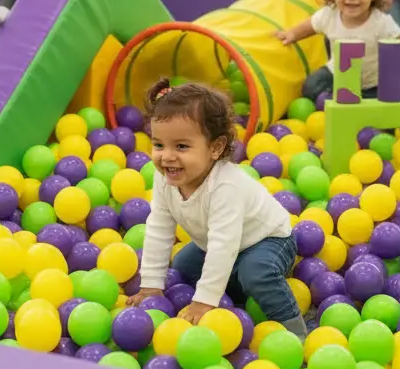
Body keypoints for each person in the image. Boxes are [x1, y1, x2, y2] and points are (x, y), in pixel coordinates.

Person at [126, 79, 307, 340]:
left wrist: (204, 301)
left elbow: (224, 244)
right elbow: (158, 228)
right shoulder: (166, 178)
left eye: (181, 146)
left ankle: (296, 332)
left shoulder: (225, 186)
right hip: (218, 245)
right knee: (184, 264)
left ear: (215, 148)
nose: (166, 156)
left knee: (255, 273)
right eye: (158, 145)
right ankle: (239, 293)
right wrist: (151, 286)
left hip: (269, 239)